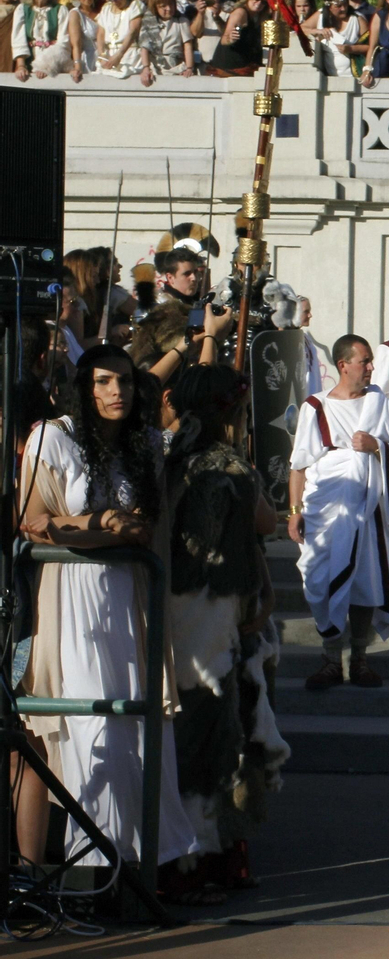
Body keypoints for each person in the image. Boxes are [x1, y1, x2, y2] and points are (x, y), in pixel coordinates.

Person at [18, 345, 201, 873]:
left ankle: (141, 869)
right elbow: (35, 521)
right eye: (102, 381)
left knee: (137, 729)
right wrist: (104, 526)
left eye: (123, 380)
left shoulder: (144, 443)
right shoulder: (54, 437)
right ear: (85, 386)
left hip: (131, 597)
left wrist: (125, 527)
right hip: (72, 600)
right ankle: (94, 869)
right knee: (92, 730)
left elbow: (149, 521)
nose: (115, 391)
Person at [159, 363, 286, 900]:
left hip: (188, 608)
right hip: (209, 613)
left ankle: (200, 853)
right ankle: (202, 856)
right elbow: (264, 523)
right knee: (216, 727)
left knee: (206, 727)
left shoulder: (167, 458)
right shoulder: (223, 465)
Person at [288, 334, 389, 691]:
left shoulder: (380, 404)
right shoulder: (315, 408)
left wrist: (377, 446)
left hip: (369, 512)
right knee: (318, 580)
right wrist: (295, 510)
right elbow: (299, 465)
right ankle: (331, 659)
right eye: (364, 361)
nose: (371, 367)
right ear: (343, 365)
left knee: (365, 583)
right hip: (325, 509)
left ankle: (358, 659)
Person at [95, 0, 148, 79]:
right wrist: (102, 55)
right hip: (109, 55)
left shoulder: (135, 6)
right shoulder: (106, 8)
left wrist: (119, 55)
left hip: (129, 55)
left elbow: (133, 32)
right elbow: (100, 35)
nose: (114, 2)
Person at [307, 0, 364, 79]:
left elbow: (372, 47)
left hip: (355, 77)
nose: (343, 9)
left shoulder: (357, 19)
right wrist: (317, 31)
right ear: (329, 7)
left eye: (345, 4)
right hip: (330, 79)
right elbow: (300, 29)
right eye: (338, 6)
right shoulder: (320, 16)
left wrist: (351, 49)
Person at [141, 0, 196, 80]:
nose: (169, 9)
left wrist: (189, 67)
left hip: (176, 67)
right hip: (155, 67)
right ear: (155, 7)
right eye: (163, 6)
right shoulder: (148, 22)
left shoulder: (181, 21)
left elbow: (187, 45)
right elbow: (145, 47)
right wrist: (146, 68)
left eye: (171, 4)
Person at [209, 0, 265, 75]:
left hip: (242, 67)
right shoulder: (241, 13)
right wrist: (231, 37)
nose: (259, 3)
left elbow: (238, 30)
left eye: (263, 2)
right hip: (230, 68)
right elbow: (229, 35)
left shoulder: (257, 17)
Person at [189, 0, 230, 65]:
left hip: (223, 64)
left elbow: (228, 33)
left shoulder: (231, 10)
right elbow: (195, 33)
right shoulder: (192, 10)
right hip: (202, 64)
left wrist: (217, 17)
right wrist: (200, 14)